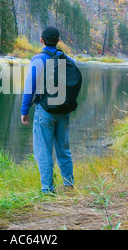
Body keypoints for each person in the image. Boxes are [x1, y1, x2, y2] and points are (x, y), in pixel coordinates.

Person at [21, 26, 77, 194]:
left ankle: (47, 190)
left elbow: (29, 87)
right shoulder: (68, 60)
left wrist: (25, 110)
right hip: (63, 111)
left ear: (41, 40)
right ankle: (69, 185)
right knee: (64, 150)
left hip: (44, 111)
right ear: (58, 41)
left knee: (43, 151)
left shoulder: (38, 60)